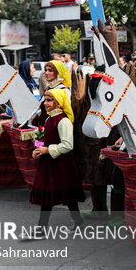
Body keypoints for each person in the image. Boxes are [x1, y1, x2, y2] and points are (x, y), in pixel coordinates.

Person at [29, 89, 85, 236]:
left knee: (68, 195)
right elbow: (44, 139)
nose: (46, 103)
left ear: (59, 103)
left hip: (61, 165)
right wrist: (38, 149)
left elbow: (68, 145)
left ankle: (76, 219)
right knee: (47, 195)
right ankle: (42, 228)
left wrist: (47, 150)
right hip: (49, 163)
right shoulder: (49, 119)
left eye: (49, 100)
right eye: (45, 100)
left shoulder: (63, 120)